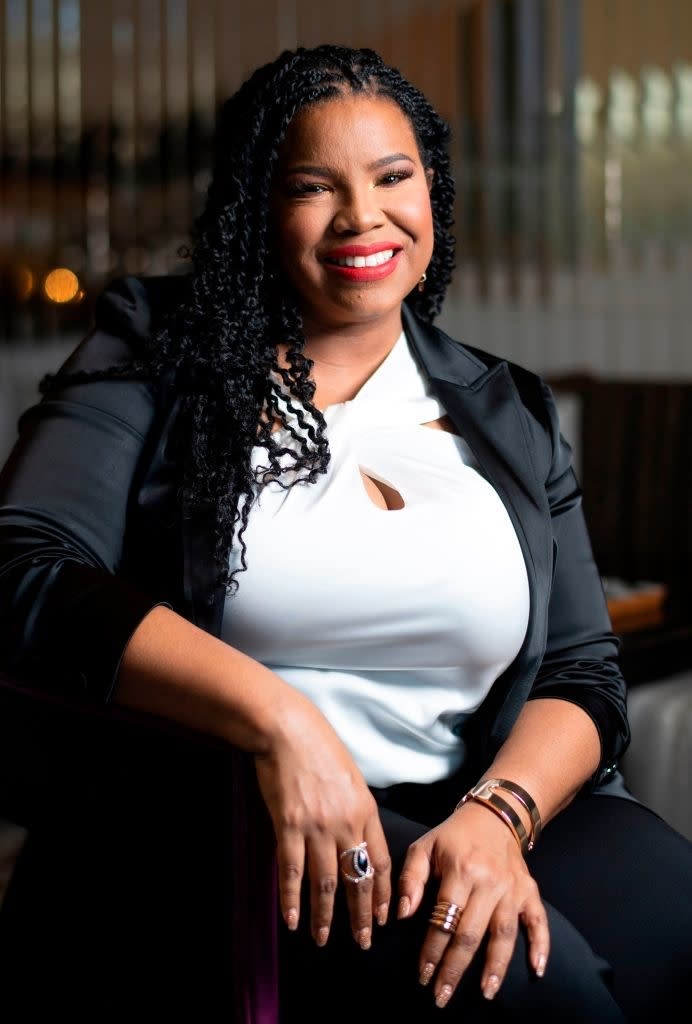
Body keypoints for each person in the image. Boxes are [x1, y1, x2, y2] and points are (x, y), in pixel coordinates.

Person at [0, 43, 691, 1024]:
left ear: (431, 194)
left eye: (391, 177)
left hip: (485, 797)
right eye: (312, 186)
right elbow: (23, 567)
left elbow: (580, 671)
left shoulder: (505, 407)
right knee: (553, 1000)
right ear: (255, 209)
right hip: (257, 829)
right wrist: (280, 723)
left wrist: (497, 816)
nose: (362, 217)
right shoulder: (154, 352)